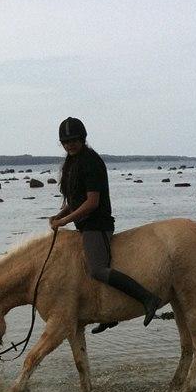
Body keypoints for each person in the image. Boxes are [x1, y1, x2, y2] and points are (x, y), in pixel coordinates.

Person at [49, 117, 160, 334]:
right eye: (66, 142)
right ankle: (108, 314)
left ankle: (148, 298)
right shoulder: (72, 163)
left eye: (74, 140)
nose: (70, 145)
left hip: (97, 225)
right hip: (83, 225)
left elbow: (92, 203)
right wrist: (58, 215)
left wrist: (64, 221)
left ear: (83, 139)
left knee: (98, 269)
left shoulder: (91, 161)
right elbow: (74, 201)